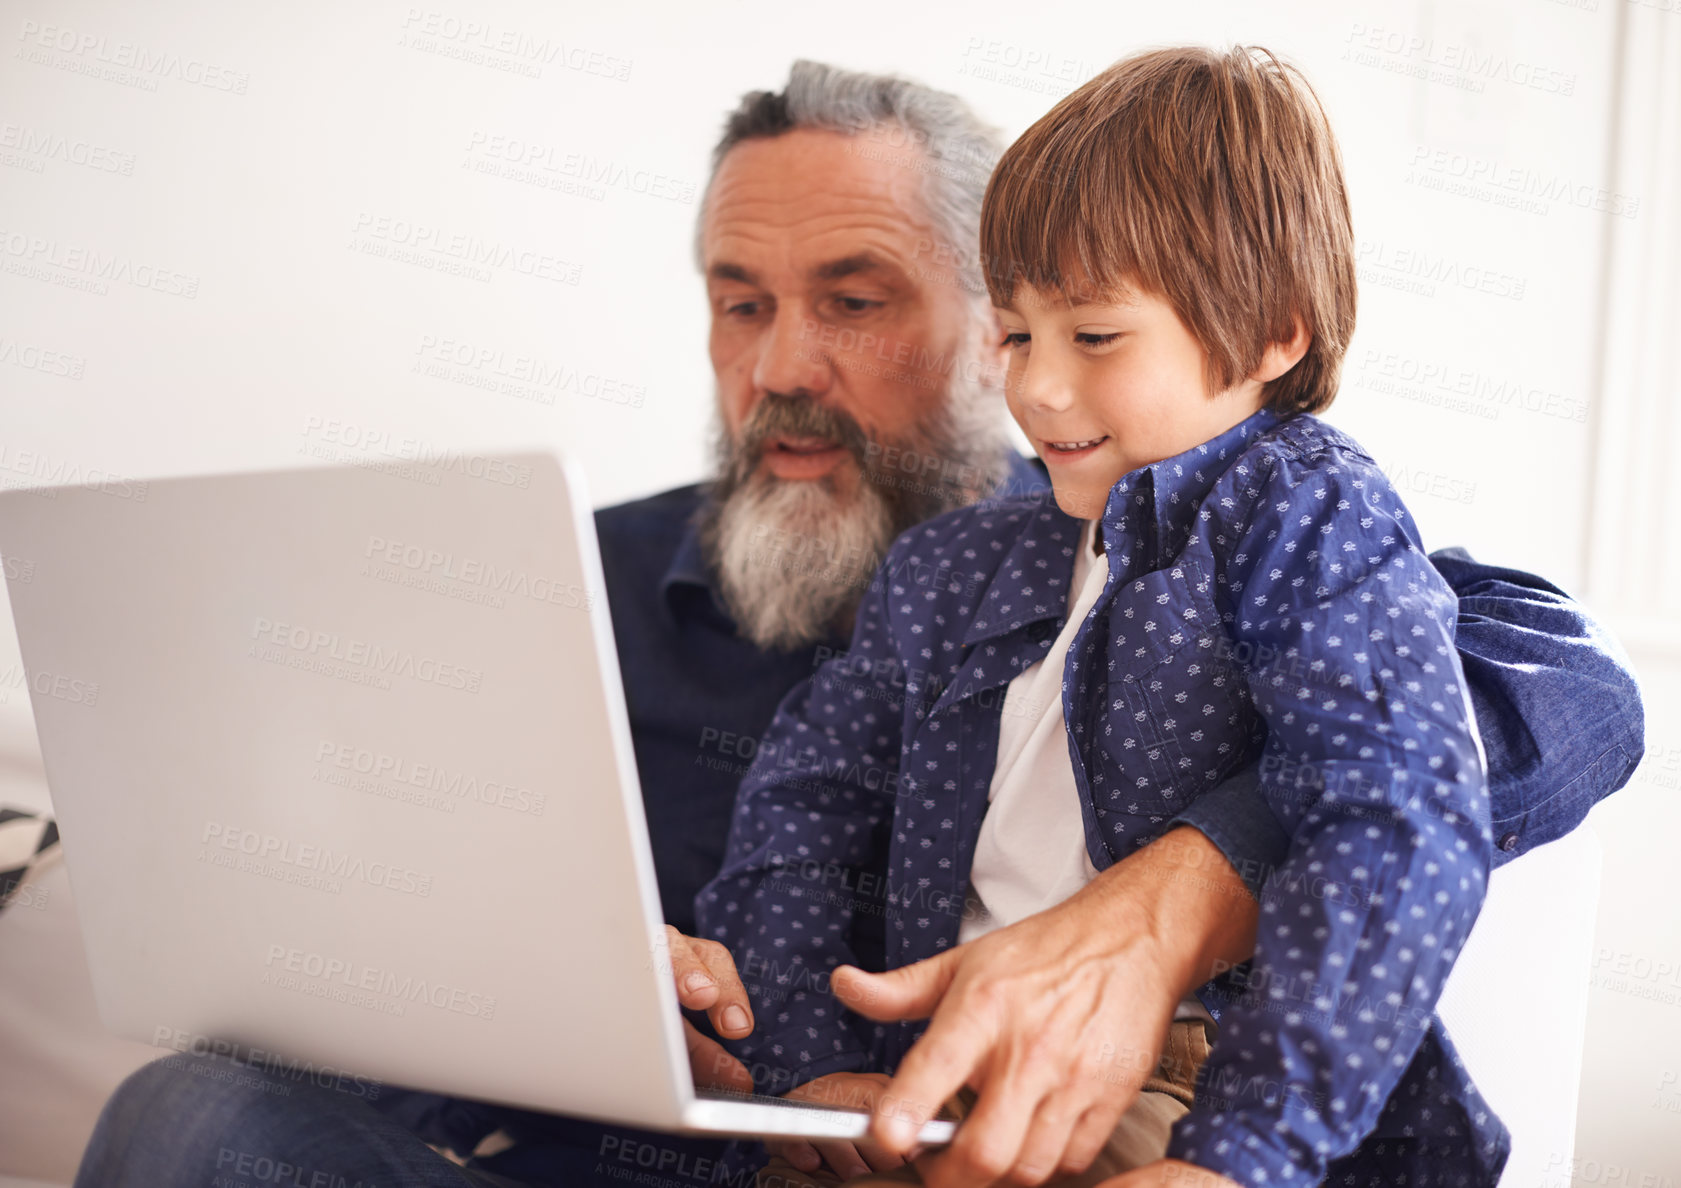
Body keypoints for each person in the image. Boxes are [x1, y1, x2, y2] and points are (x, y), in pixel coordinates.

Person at [73, 59, 1642, 1188]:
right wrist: (561, 984)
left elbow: (1533, 704)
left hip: (1068, 1121)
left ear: (968, 316)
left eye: (854, 297)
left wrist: (1202, 875)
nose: (781, 367)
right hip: (657, 1155)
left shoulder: (1260, 527)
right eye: (740, 301)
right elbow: (772, 828)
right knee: (195, 1119)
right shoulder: (554, 573)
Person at [694, 47, 1644, 1188]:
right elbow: (797, 821)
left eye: (1093, 337)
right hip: (926, 1071)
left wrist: (1246, 1153)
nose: (1038, 388)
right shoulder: (946, 569)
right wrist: (809, 1068)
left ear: (1273, 333)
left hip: (1190, 1079)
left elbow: (1392, 819)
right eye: (1015, 334)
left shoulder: (1305, 515)